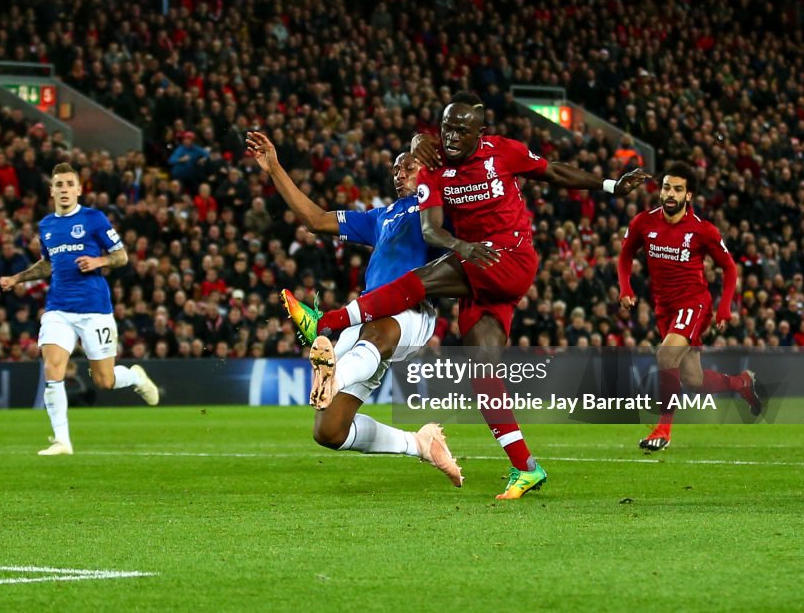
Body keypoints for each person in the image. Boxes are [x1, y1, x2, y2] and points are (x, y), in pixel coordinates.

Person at [282, 91, 650, 499]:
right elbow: (403, 219)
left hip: (501, 257)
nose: (451, 136)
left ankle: (326, 322)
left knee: (415, 283)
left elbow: (553, 172)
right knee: (481, 376)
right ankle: (525, 467)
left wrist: (610, 184)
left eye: (461, 129)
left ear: (481, 131)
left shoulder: (500, 153)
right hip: (476, 275)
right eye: (445, 129)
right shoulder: (412, 192)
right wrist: (420, 150)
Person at [246, 131, 463, 487]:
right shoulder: (381, 217)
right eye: (394, 169)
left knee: (377, 334)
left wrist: (421, 149)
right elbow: (314, 219)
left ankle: (335, 376)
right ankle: (419, 444)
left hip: (413, 309)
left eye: (406, 165)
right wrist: (274, 168)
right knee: (329, 431)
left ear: (426, 166)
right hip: (368, 314)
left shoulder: (438, 205)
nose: (398, 172)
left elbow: (436, 155)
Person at [0, 162, 159, 456]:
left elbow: (121, 256)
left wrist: (99, 262)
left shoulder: (94, 219)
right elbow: (47, 264)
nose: (64, 190)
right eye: (58, 185)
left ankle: (135, 377)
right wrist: (17, 278)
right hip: (58, 308)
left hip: (95, 309)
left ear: (78, 189)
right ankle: (62, 440)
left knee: (105, 381)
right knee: (53, 366)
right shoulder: (46, 226)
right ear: (51, 191)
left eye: (69, 184)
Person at [618, 161, 761, 451]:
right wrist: (625, 287)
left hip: (694, 303)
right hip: (664, 308)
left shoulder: (702, 230)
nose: (670, 194)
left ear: (689, 195)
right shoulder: (644, 222)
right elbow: (625, 255)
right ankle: (741, 384)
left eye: (678, 189)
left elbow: (729, 268)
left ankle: (663, 430)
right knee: (693, 379)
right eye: (667, 187)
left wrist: (724, 307)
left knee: (666, 355)